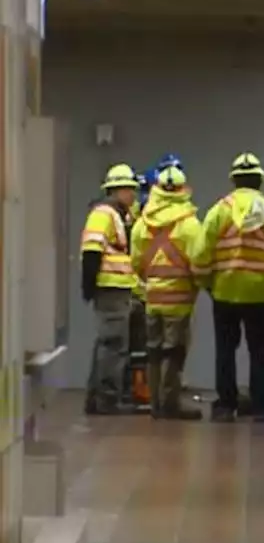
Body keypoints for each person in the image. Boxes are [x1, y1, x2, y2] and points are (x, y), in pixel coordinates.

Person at [201, 152, 264, 422]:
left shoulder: (219, 211)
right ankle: (262, 406)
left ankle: (225, 406)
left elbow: (200, 254)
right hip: (261, 294)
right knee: (259, 351)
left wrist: (210, 285)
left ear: (234, 180)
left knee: (225, 351)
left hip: (224, 292)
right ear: (259, 181)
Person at [131, 165, 205, 421]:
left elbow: (137, 262)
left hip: (152, 298)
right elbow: (199, 262)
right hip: (180, 300)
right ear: (184, 190)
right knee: (174, 352)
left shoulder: (143, 224)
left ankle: (155, 404)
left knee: (153, 351)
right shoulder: (190, 225)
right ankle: (170, 404)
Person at [81, 163, 140, 415]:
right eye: (130, 190)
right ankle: (107, 399)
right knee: (114, 345)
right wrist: (89, 285)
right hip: (110, 287)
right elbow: (92, 250)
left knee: (108, 344)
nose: (133, 195)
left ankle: (98, 398)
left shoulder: (120, 214)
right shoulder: (104, 214)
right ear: (117, 190)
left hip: (117, 288)